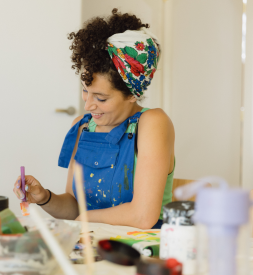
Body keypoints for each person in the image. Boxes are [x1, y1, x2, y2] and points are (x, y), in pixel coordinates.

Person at [13, 9, 174, 229]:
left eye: (101, 98)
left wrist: (84, 220)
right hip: (91, 244)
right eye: (85, 91)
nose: (88, 105)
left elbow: (142, 216)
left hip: (140, 250)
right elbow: (74, 207)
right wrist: (44, 198)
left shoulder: (152, 123)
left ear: (131, 94)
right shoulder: (82, 126)